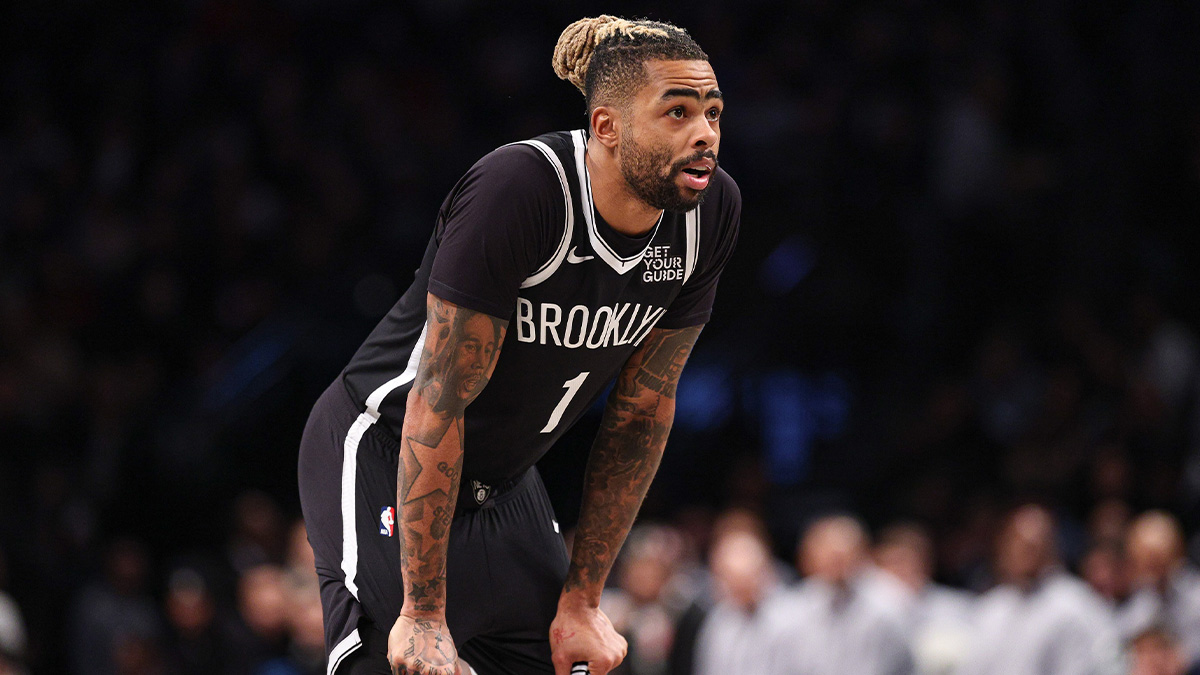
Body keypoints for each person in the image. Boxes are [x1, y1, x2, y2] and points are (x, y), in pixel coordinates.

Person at [297, 15, 740, 675]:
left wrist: (585, 598)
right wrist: (421, 613)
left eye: (712, 112)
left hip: (504, 482)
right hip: (387, 446)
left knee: (575, 660)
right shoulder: (523, 189)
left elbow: (644, 409)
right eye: (676, 112)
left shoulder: (710, 215)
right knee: (407, 666)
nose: (705, 133)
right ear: (607, 128)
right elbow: (438, 398)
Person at [956, 504, 1120, 675]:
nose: (1021, 553)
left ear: (1050, 547)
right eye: (1016, 543)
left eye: (1031, 546)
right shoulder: (992, 608)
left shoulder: (1075, 604)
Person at [767, 515, 914, 675]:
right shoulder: (794, 608)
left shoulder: (889, 601)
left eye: (842, 556)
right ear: (809, 557)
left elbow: (903, 665)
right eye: (828, 555)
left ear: (862, 554)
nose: (836, 563)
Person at [1118, 511, 1200, 670]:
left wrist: (1175, 659)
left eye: (1158, 559)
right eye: (1145, 560)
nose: (1152, 570)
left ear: (1177, 553)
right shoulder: (1135, 600)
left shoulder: (1196, 596)